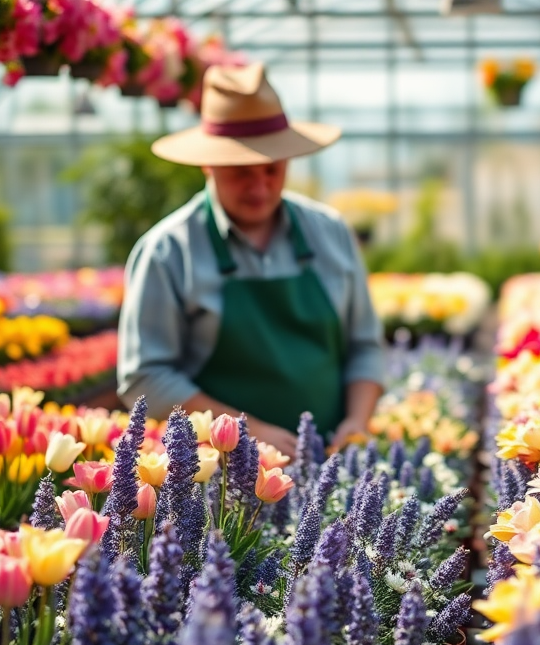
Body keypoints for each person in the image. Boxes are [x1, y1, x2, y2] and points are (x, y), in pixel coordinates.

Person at [117, 63, 385, 458]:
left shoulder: (330, 233)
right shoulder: (168, 251)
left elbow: (365, 346)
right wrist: (243, 433)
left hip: (331, 458)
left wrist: (357, 422)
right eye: (241, 172)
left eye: (272, 170)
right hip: (218, 476)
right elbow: (146, 378)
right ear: (208, 164)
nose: (259, 187)